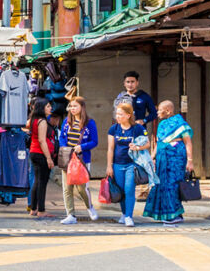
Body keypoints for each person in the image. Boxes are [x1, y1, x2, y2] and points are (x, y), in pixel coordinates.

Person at [143, 101, 194, 225]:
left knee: (173, 185)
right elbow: (159, 142)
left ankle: (174, 215)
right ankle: (167, 213)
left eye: (160, 110)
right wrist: (152, 157)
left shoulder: (180, 124)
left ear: (168, 111)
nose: (157, 112)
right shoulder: (161, 124)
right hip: (162, 159)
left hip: (175, 158)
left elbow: (187, 142)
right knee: (162, 185)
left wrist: (190, 160)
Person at [58, 95, 98, 224]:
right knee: (67, 187)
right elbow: (62, 138)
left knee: (81, 188)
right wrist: (64, 147)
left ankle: (89, 207)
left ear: (82, 107)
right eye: (71, 106)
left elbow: (94, 141)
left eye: (75, 106)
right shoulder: (66, 121)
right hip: (67, 158)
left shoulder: (90, 123)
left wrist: (82, 147)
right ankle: (70, 215)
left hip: (82, 159)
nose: (72, 108)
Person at [106, 102, 147, 227]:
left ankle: (129, 216)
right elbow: (110, 148)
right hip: (117, 164)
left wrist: (137, 147)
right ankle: (123, 213)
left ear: (129, 115)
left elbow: (147, 144)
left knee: (129, 189)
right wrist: (109, 166)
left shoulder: (138, 128)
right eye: (117, 114)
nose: (117, 117)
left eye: (121, 114)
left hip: (132, 164)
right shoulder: (114, 129)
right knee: (121, 191)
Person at [26, 99, 55, 217]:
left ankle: (33, 208)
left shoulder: (33, 120)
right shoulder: (42, 121)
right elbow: (42, 140)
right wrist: (49, 158)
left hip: (34, 152)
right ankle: (41, 210)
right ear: (42, 108)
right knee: (42, 182)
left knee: (37, 181)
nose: (50, 108)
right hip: (40, 153)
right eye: (48, 106)